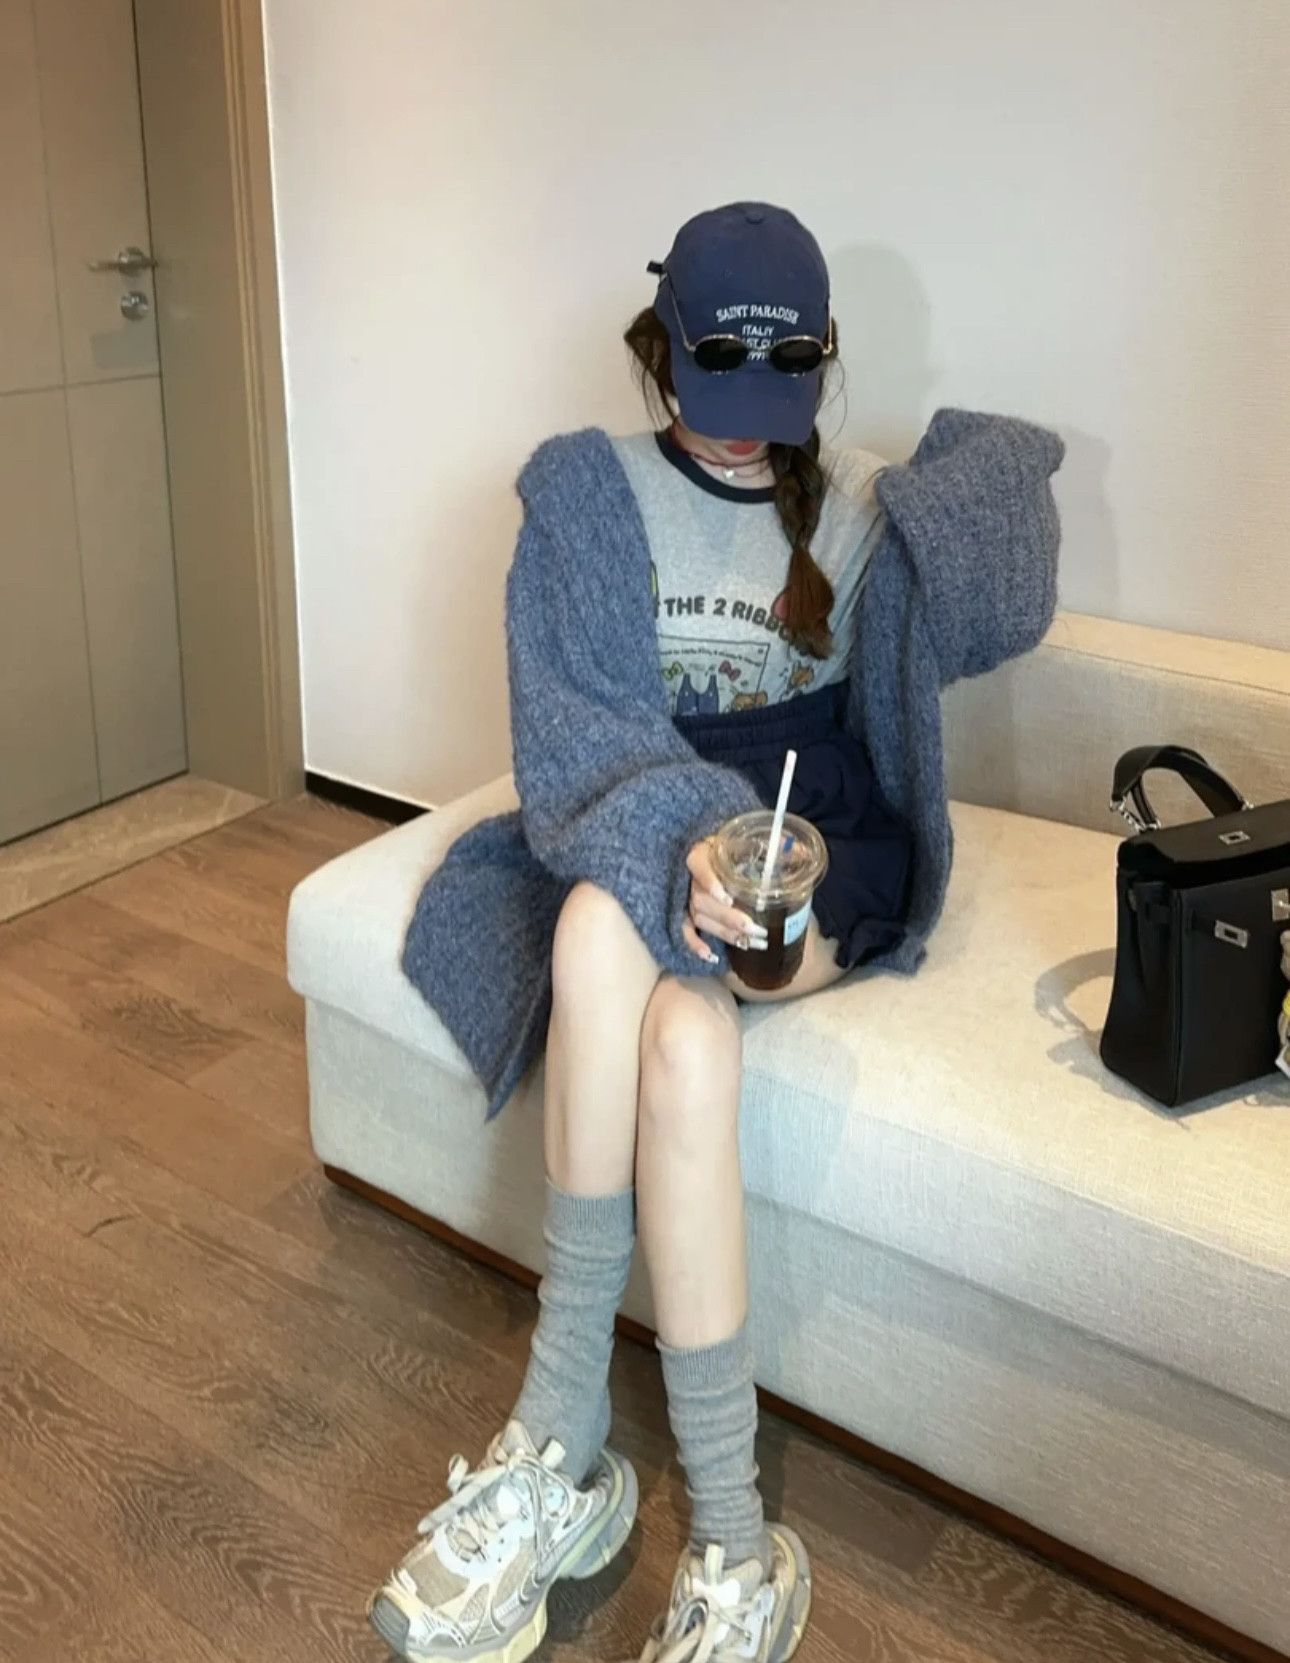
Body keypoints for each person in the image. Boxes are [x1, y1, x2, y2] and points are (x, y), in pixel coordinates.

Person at [373, 202, 1064, 1663]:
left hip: (819, 843)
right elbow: (571, 733)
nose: (745, 425)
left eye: (782, 382)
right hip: (644, 809)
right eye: (714, 381)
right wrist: (681, 840)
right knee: (646, 996)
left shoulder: (860, 509)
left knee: (614, 950)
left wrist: (958, 492)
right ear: (659, 346)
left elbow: (1011, 594)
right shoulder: (590, 495)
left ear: (820, 362)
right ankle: (705, 1525)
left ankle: (573, 1459)